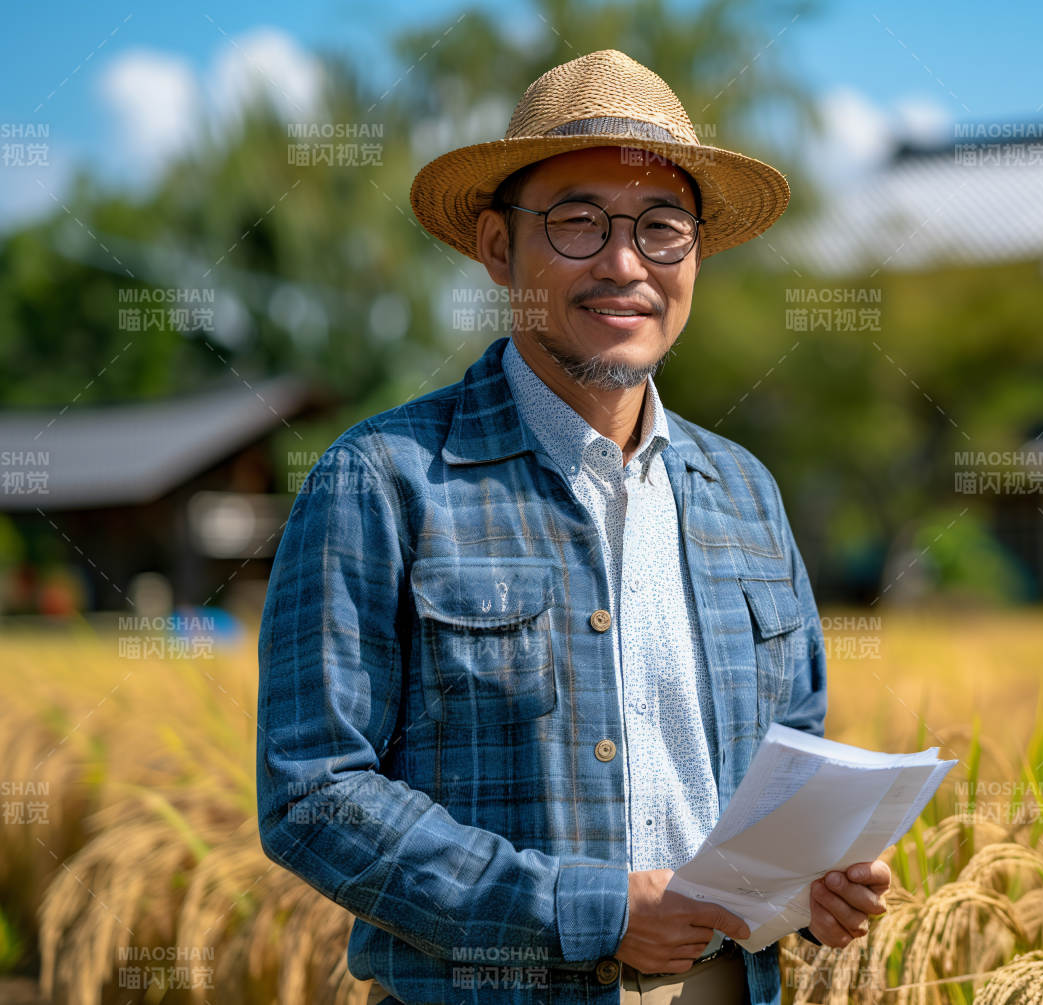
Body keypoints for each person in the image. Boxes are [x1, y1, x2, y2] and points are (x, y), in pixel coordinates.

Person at [255, 48, 890, 1005]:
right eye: (578, 222)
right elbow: (313, 794)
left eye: (661, 228)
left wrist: (820, 876)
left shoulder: (747, 492)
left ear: (696, 258)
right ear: (496, 247)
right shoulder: (380, 481)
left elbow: (789, 754)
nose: (625, 264)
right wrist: (588, 908)